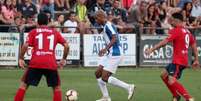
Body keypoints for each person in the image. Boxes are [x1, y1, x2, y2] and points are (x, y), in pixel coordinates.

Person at [14, 12, 70, 101]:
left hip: (36, 62)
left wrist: (21, 58)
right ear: (48, 22)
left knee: (24, 85)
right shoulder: (55, 32)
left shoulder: (33, 32)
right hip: (50, 63)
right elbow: (66, 46)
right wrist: (63, 59)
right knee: (56, 88)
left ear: (37, 22)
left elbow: (25, 46)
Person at [145, 12, 199, 101]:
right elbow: (193, 45)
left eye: (171, 20)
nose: (170, 22)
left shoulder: (176, 30)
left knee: (171, 80)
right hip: (181, 60)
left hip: (178, 61)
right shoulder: (187, 31)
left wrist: (152, 50)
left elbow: (164, 42)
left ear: (176, 21)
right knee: (163, 75)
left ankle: (188, 98)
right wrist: (196, 59)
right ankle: (176, 96)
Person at [94, 10, 135, 101]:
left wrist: (105, 49)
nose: (96, 21)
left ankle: (128, 87)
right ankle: (105, 97)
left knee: (104, 77)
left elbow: (114, 38)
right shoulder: (105, 25)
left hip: (116, 54)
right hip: (110, 54)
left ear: (101, 17)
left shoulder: (108, 25)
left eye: (97, 18)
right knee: (97, 73)